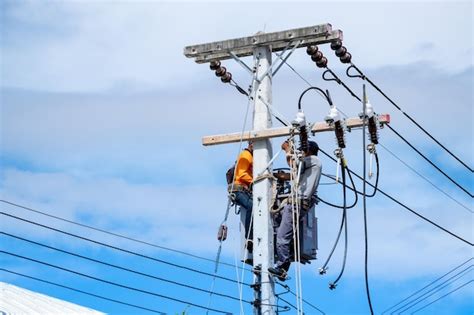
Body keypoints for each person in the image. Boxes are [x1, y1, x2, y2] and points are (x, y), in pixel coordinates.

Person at [268, 140, 322, 281]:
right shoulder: (311, 166)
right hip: (297, 203)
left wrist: (287, 150)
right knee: (278, 226)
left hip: (296, 203)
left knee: (282, 236)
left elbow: (293, 164)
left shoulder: (313, 160)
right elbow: (294, 173)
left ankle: (282, 266)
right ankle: (282, 266)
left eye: (302, 151)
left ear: (308, 151)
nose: (301, 153)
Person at [231, 140, 254, 252]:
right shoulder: (246, 155)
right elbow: (242, 174)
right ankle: (249, 238)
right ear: (251, 144)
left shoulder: (252, 156)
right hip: (238, 190)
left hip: (244, 190)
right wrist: (256, 181)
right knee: (252, 206)